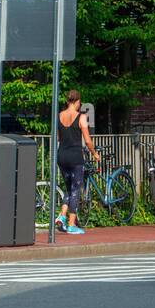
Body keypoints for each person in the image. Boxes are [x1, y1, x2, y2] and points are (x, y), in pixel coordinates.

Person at [55, 90, 98, 235]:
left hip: (61, 156)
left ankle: (61, 215)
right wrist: (94, 153)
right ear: (77, 102)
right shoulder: (81, 117)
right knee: (75, 190)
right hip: (75, 158)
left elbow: (59, 138)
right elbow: (87, 140)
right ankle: (71, 224)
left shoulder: (59, 116)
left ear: (67, 101)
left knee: (68, 188)